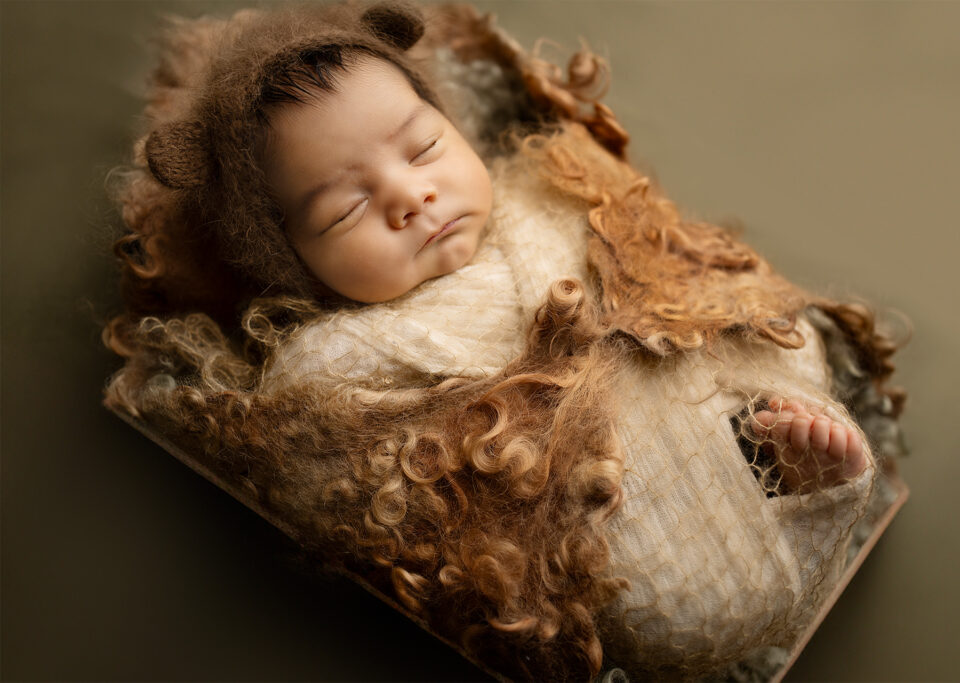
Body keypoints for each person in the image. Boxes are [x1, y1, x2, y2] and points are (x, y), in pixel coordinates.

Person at [105, 2, 899, 679]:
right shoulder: (339, 351)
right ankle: (751, 497)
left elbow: (665, 264)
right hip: (580, 510)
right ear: (291, 262)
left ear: (457, 130)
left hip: (682, 392)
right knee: (654, 596)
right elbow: (346, 472)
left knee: (773, 338)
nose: (410, 196)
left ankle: (775, 454)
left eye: (423, 149)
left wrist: (691, 294)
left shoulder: (544, 194)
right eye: (344, 211)